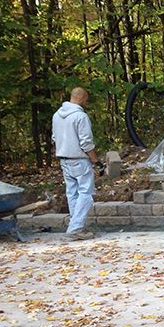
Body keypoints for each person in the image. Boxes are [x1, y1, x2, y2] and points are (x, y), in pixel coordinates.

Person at [52, 87, 102, 240]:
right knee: (86, 194)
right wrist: (95, 160)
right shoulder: (80, 116)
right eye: (86, 99)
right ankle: (75, 229)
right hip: (79, 160)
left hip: (64, 160)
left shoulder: (56, 116)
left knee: (72, 193)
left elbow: (54, 138)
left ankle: (76, 225)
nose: (86, 102)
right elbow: (86, 143)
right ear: (82, 98)